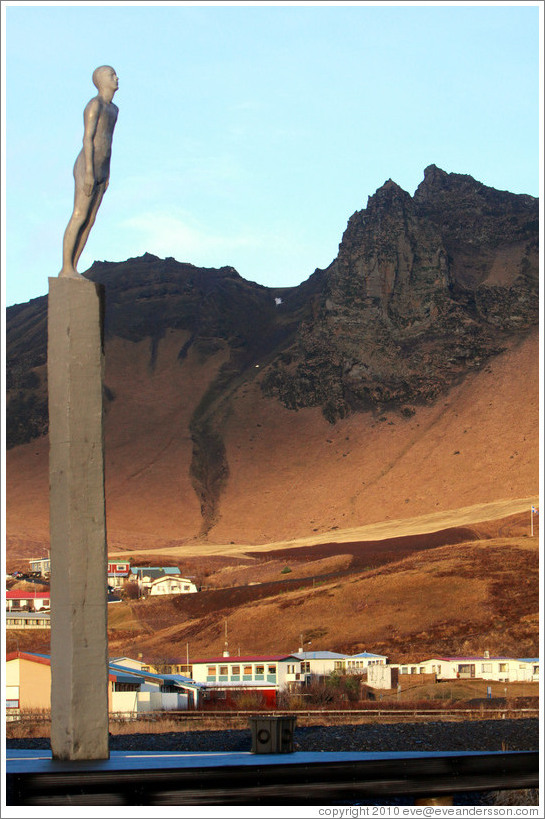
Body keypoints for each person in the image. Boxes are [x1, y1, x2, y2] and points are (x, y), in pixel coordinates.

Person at [59, 66, 119, 277]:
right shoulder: (95, 105)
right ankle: (66, 267)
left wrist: (107, 173)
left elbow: (108, 143)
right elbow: (88, 139)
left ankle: (73, 267)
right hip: (87, 165)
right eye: (112, 75)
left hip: (102, 167)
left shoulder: (114, 110)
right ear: (101, 80)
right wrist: (90, 172)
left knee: (90, 219)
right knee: (79, 214)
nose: (116, 78)